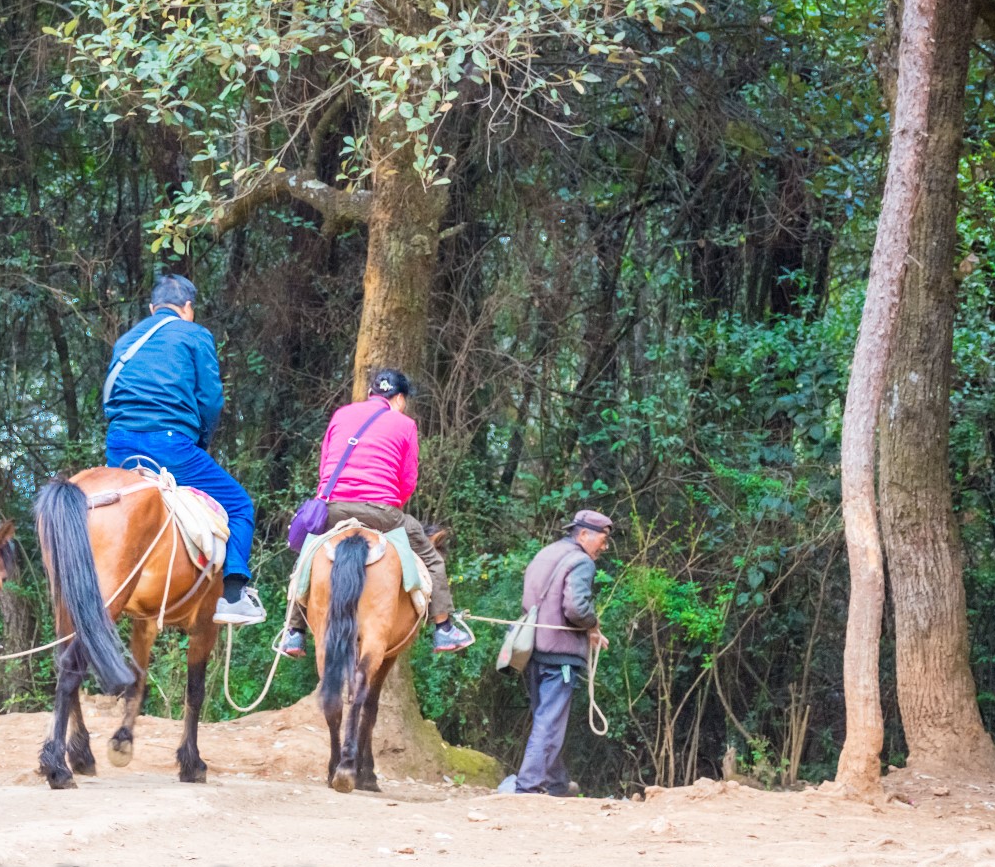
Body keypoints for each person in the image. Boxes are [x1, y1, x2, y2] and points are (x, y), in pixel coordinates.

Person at [275, 369, 475, 659]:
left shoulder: (341, 415)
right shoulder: (405, 424)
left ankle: (293, 632)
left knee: (307, 556)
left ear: (371, 393)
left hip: (334, 510)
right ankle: (444, 627)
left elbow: (324, 469)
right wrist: (392, 506)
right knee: (432, 559)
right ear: (400, 399)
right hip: (382, 512)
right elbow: (407, 481)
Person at [101, 274, 262, 625]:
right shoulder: (194, 335)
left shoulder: (127, 341)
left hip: (120, 445)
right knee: (239, 504)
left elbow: (110, 397)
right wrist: (201, 443)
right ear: (188, 308)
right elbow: (210, 400)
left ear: (151, 308)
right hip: (172, 444)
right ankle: (233, 594)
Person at [500, 509, 613, 795]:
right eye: (603, 538)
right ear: (584, 534)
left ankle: (557, 783)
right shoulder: (581, 562)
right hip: (560, 653)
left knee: (545, 716)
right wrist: (593, 624)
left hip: (534, 648)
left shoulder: (545, 554)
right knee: (550, 721)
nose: (605, 546)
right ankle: (527, 787)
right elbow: (576, 609)